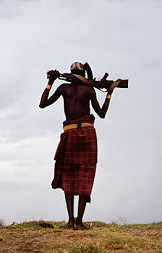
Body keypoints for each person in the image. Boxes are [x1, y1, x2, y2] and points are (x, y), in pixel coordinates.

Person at [39, 62, 121, 230]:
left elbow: (42, 103)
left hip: (70, 134)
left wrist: (50, 82)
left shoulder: (64, 88)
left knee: (70, 176)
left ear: (71, 73)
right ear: (83, 74)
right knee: (85, 175)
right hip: (87, 134)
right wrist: (109, 94)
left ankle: (71, 222)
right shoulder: (89, 90)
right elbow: (102, 114)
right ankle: (79, 222)